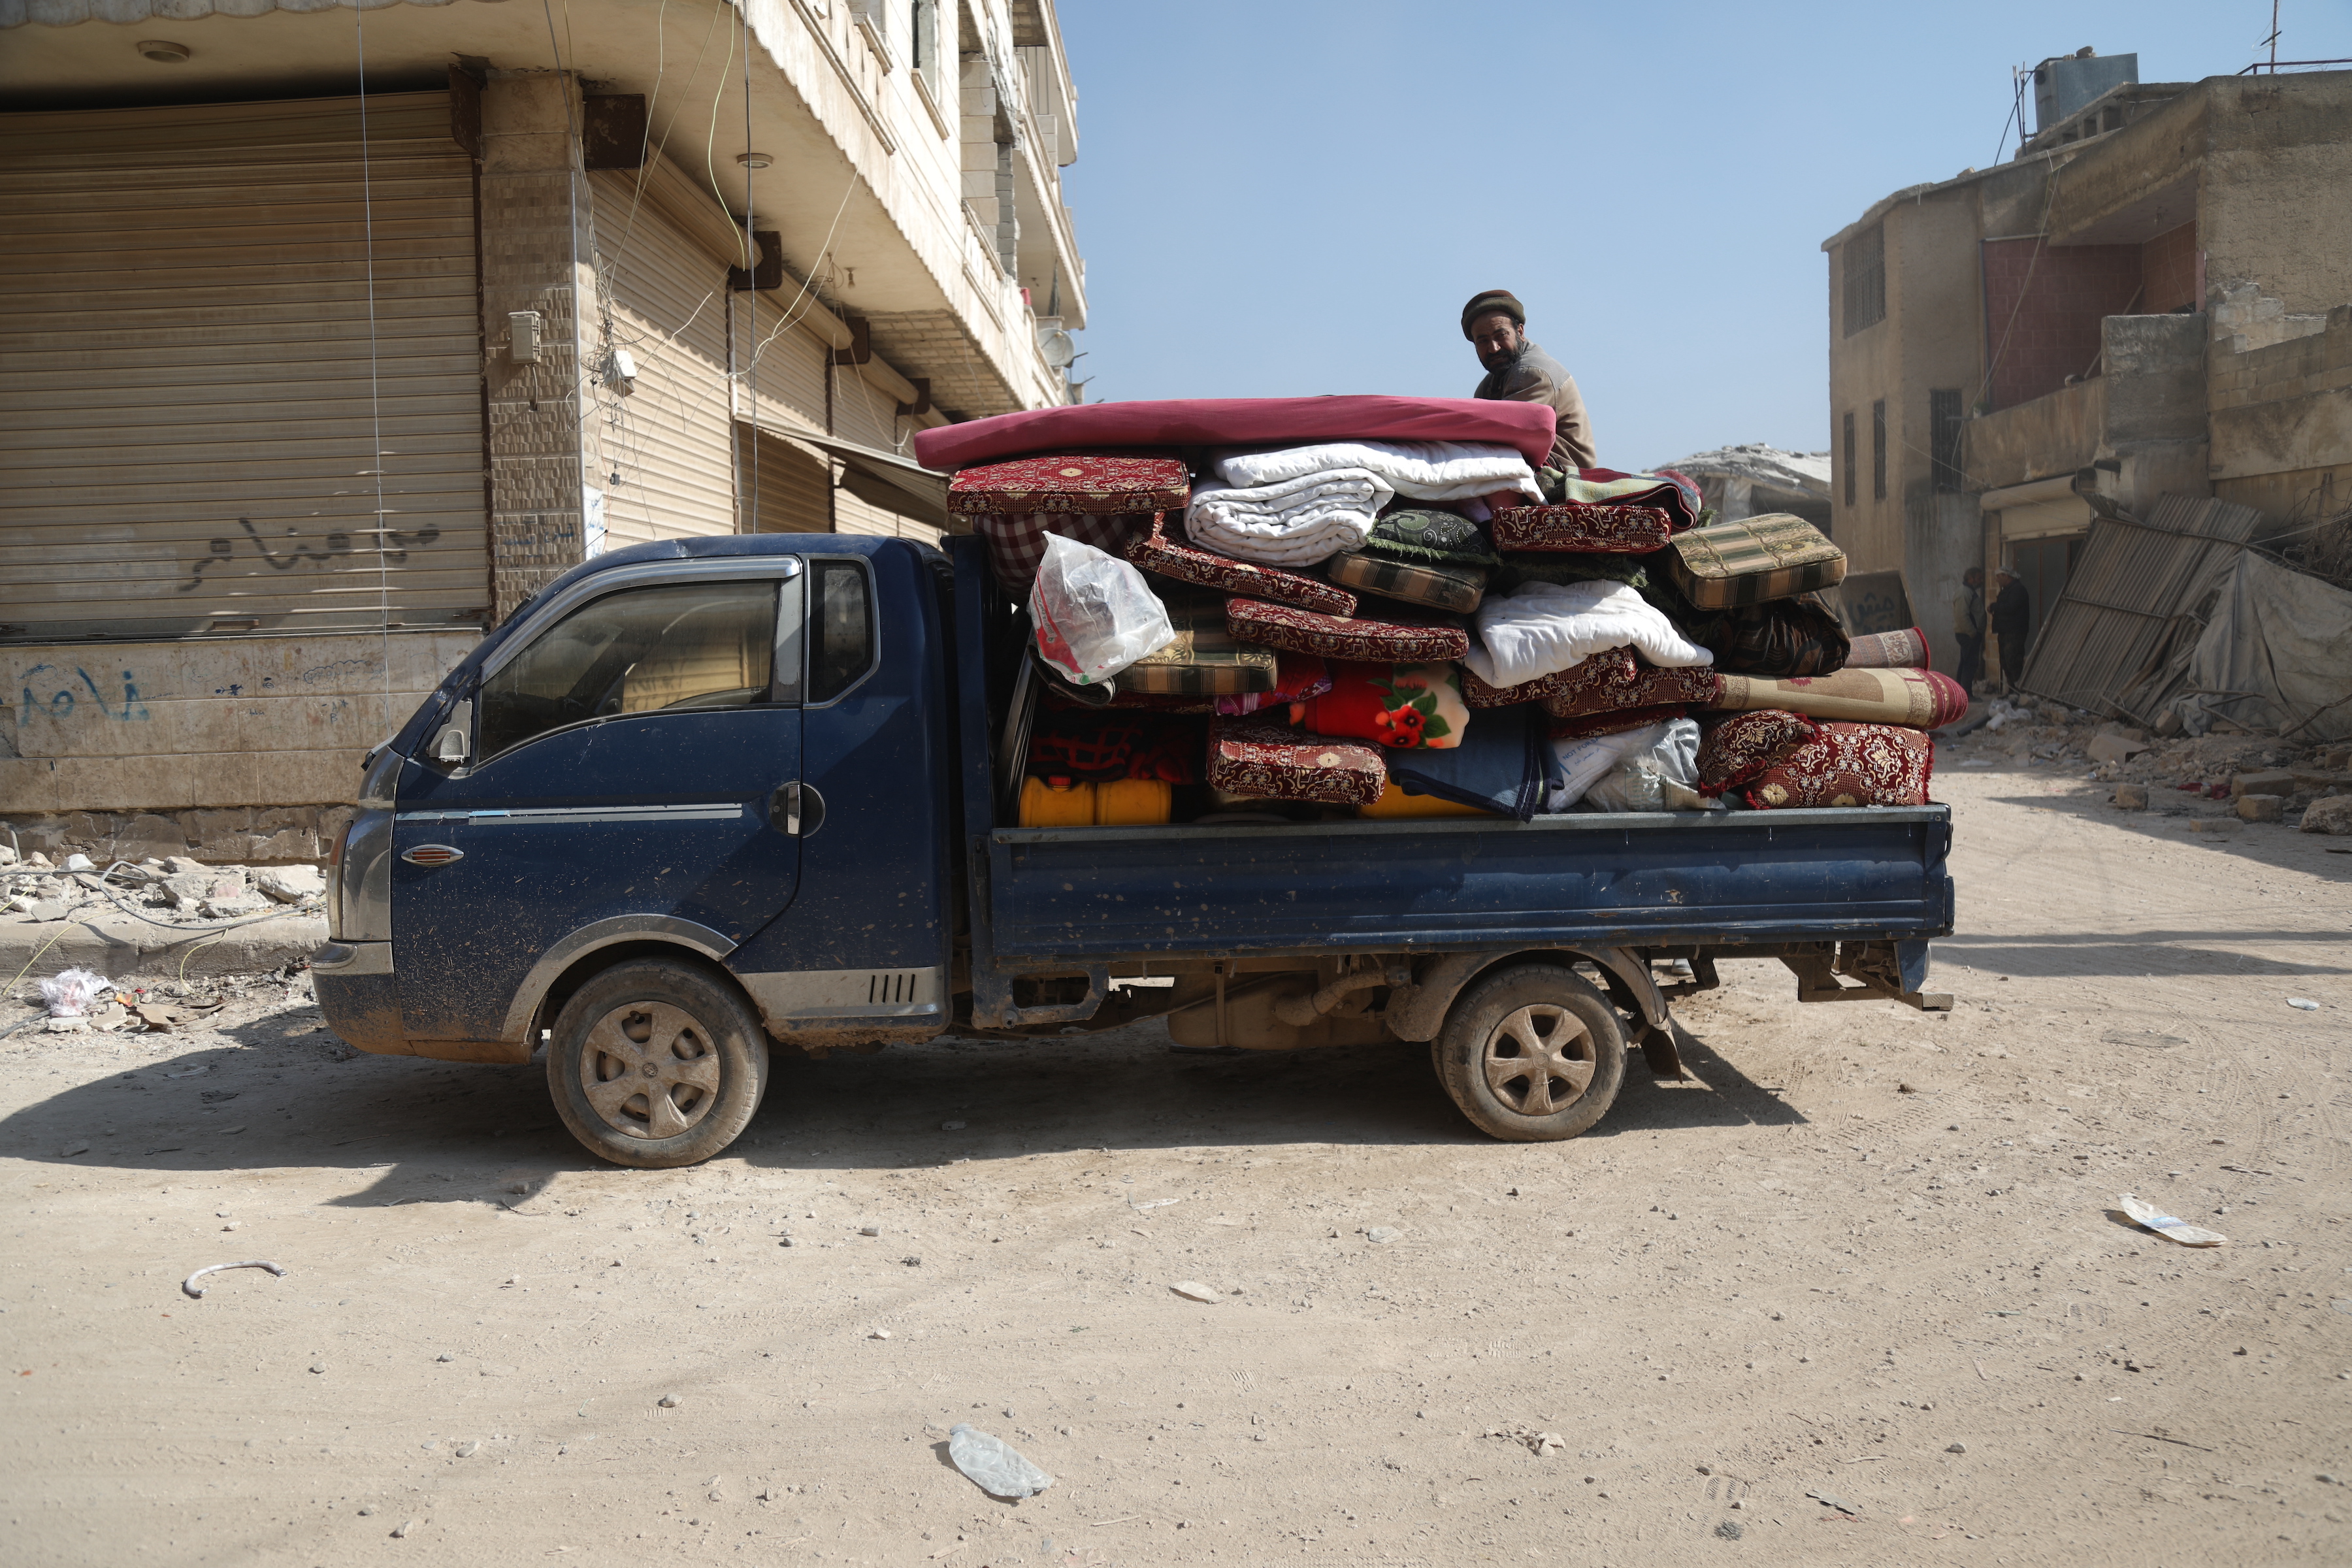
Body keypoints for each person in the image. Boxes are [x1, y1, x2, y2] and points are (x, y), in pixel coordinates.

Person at [1462, 289, 1598, 472]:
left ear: (1520, 331)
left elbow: (1502, 439)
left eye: (1501, 336)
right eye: (1483, 341)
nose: (1494, 348)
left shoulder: (1531, 373)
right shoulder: (1490, 383)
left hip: (1566, 474)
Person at [1991, 566, 2031, 694]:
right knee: (2005, 662)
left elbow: (2011, 607)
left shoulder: (2018, 590)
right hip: (2005, 631)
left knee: (2013, 661)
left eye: (1998, 577)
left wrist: (1994, 607)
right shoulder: (2007, 590)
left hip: (2014, 632)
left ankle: (2018, 691)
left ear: (2006, 576)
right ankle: (2011, 691)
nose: (1997, 580)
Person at [1950, 566, 1986, 696]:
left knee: (1966, 662)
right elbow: (1962, 616)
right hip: (1968, 634)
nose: (1981, 581)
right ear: (1970, 579)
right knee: (1970, 664)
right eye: (1978, 578)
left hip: (1969, 634)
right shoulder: (1965, 592)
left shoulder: (1969, 592)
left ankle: (1960, 693)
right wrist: (1973, 633)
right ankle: (1966, 693)